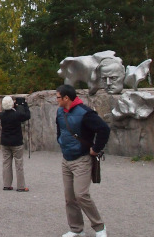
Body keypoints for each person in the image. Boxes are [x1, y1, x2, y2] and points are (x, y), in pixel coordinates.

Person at [55, 84, 110, 237]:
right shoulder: (60, 111)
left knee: (81, 195)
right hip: (66, 158)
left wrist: (96, 148)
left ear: (66, 98)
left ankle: (99, 227)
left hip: (81, 159)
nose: (56, 100)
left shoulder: (85, 113)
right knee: (69, 197)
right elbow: (60, 130)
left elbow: (104, 129)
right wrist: (60, 141)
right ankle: (76, 229)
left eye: (58, 97)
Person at [0, 96, 31, 192]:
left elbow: (14, 112)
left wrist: (16, 106)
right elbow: (26, 115)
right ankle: (21, 186)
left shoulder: (1, 115)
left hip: (5, 142)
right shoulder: (17, 115)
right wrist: (23, 105)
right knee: (19, 163)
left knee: (6, 163)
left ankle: (7, 184)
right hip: (16, 142)